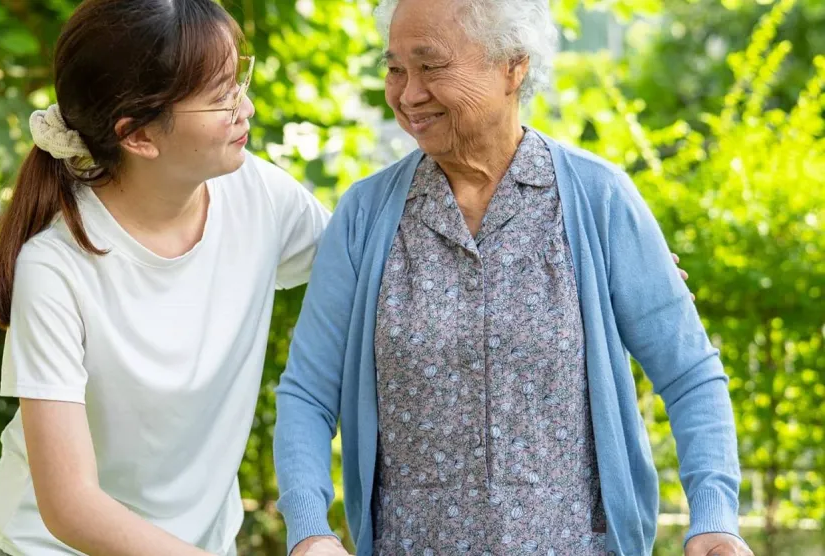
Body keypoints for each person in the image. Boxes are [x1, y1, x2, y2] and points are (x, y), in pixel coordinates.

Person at [272, 0, 751, 555]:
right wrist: (310, 529)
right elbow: (308, 393)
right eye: (396, 68)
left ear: (513, 65)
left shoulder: (598, 200)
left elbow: (689, 373)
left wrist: (715, 516)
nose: (407, 94)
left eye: (431, 66)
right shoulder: (365, 215)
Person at [0, 0, 330, 554]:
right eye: (220, 98)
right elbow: (70, 507)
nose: (246, 108)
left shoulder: (260, 196)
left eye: (240, 81)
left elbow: (369, 273)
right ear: (138, 136)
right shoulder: (56, 269)